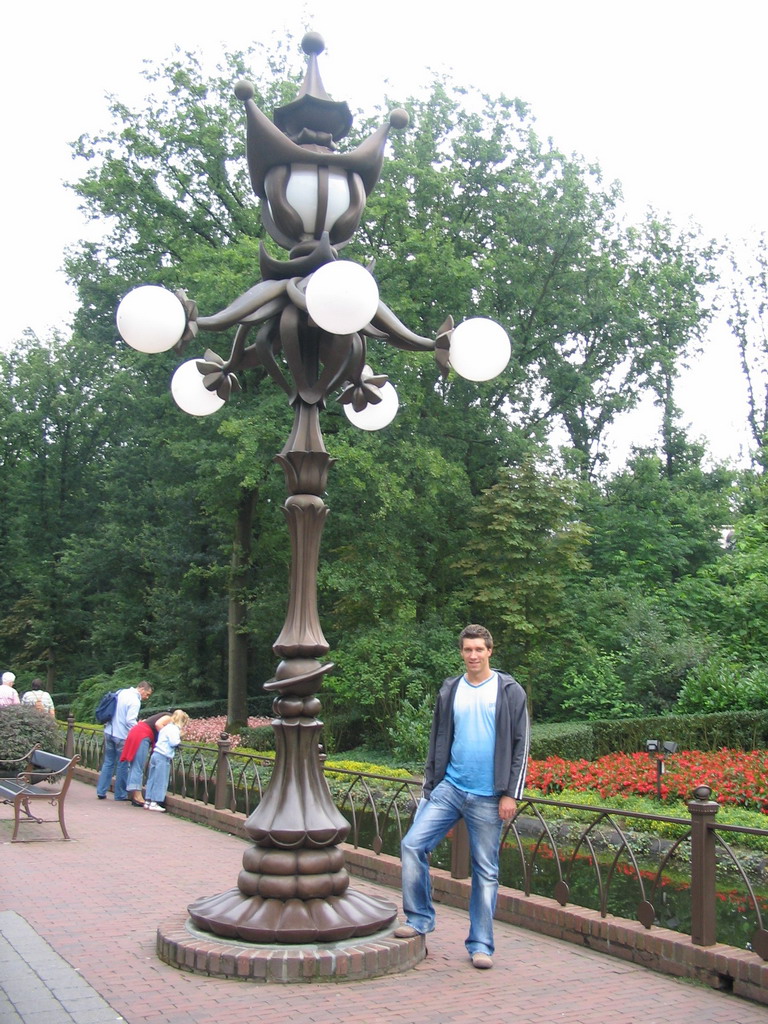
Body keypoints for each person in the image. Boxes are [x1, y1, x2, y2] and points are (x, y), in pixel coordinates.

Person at [395, 624, 529, 970]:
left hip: (489, 796)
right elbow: (437, 739)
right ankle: (420, 918)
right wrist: (431, 784)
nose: (473, 655)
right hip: (450, 789)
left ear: (490, 651)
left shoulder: (509, 690)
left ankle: (481, 944)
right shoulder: (450, 689)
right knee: (412, 845)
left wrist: (510, 794)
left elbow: (521, 747)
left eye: (479, 650)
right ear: (461, 652)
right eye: (467, 650)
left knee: (485, 871)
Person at [96, 681, 153, 801]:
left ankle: (101, 791)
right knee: (123, 764)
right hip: (121, 736)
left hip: (109, 732)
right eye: (147, 694)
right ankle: (120, 794)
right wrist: (138, 729)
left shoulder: (121, 692)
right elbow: (130, 721)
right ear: (142, 689)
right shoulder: (135, 701)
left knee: (108, 762)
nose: (146, 698)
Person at [120, 711, 172, 806]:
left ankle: (133, 793)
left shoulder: (159, 715)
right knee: (138, 766)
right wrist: (167, 736)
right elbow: (158, 724)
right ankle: (137, 796)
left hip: (137, 732)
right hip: (142, 735)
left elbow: (147, 721)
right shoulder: (170, 718)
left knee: (134, 764)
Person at [143, 710, 189, 812]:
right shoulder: (174, 729)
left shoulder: (166, 727)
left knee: (152, 778)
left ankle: (148, 800)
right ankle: (156, 801)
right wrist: (180, 738)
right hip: (163, 756)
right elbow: (173, 742)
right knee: (161, 779)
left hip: (155, 754)